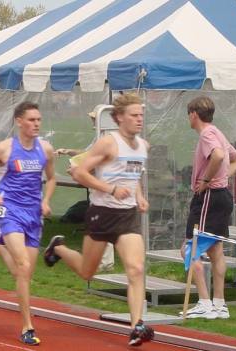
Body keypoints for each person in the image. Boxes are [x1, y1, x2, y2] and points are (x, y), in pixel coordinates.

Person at [43, 93, 154, 347]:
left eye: (141, 115)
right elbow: (79, 172)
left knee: (136, 269)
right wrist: (110, 189)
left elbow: (133, 176)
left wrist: (140, 196)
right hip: (102, 214)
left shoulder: (143, 146)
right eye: (134, 115)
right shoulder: (108, 143)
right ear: (119, 118)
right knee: (87, 271)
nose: (139, 119)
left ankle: (137, 325)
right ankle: (58, 248)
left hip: (127, 216)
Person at [0, 101, 56, 346]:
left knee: (23, 272)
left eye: (39, 119)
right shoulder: (3, 149)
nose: (36, 124)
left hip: (33, 214)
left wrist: (46, 200)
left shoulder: (46, 149)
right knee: (22, 264)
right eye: (31, 120)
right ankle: (27, 326)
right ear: (19, 121)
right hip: (9, 211)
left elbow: (51, 179)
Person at [179, 96, 236, 319]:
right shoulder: (217, 132)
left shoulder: (207, 134)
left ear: (194, 114)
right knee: (215, 251)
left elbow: (217, 155)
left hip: (209, 197)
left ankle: (205, 303)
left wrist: (206, 181)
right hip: (222, 195)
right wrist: (221, 178)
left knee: (189, 249)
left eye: (189, 114)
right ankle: (219, 305)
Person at [56, 105, 115, 272]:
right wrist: (69, 152)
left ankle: (103, 262)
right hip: (99, 185)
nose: (92, 121)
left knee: (103, 224)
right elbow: (86, 154)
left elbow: (90, 158)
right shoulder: (100, 137)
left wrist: (77, 168)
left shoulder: (107, 137)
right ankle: (101, 261)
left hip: (103, 186)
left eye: (94, 118)